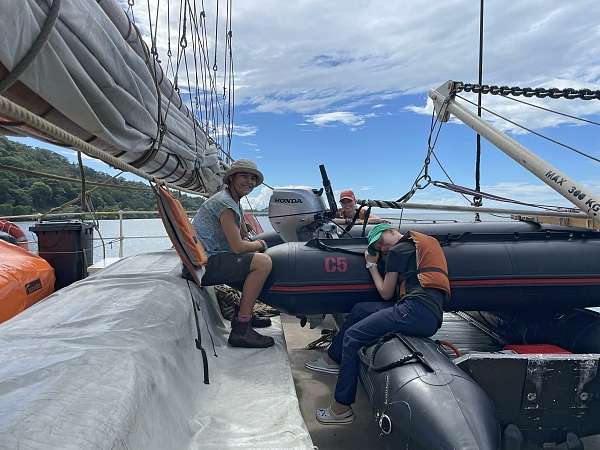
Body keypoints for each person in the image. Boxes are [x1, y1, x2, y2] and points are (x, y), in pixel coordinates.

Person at [307, 223, 450, 424]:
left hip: (414, 311)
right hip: (426, 313)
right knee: (360, 310)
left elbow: (385, 293)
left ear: (391, 230)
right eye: (378, 248)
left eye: (381, 242)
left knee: (353, 336)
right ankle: (333, 358)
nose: (382, 248)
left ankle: (341, 409)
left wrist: (372, 265)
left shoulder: (398, 250)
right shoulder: (421, 243)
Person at [183, 159, 274, 349]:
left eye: (252, 178)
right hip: (202, 265)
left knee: (255, 259)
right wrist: (262, 243)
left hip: (204, 260)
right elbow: (238, 247)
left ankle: (243, 312)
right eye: (244, 176)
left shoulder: (233, 202)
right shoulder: (225, 204)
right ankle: (242, 328)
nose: (249, 182)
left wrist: (253, 243)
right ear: (232, 178)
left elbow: (241, 236)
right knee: (263, 263)